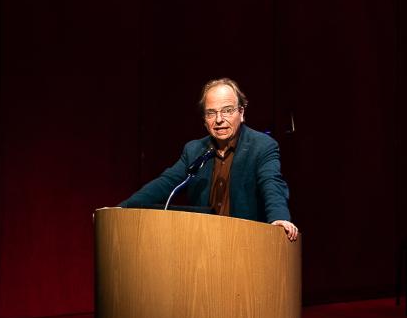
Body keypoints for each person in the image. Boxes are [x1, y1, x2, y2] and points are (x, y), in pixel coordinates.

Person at [121, 77, 299, 241]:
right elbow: (165, 184)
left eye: (227, 111)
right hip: (202, 247)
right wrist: (121, 209)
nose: (219, 119)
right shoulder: (194, 150)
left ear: (241, 113)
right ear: (204, 120)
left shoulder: (262, 146)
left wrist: (279, 218)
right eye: (211, 113)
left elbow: (272, 184)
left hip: (245, 246)